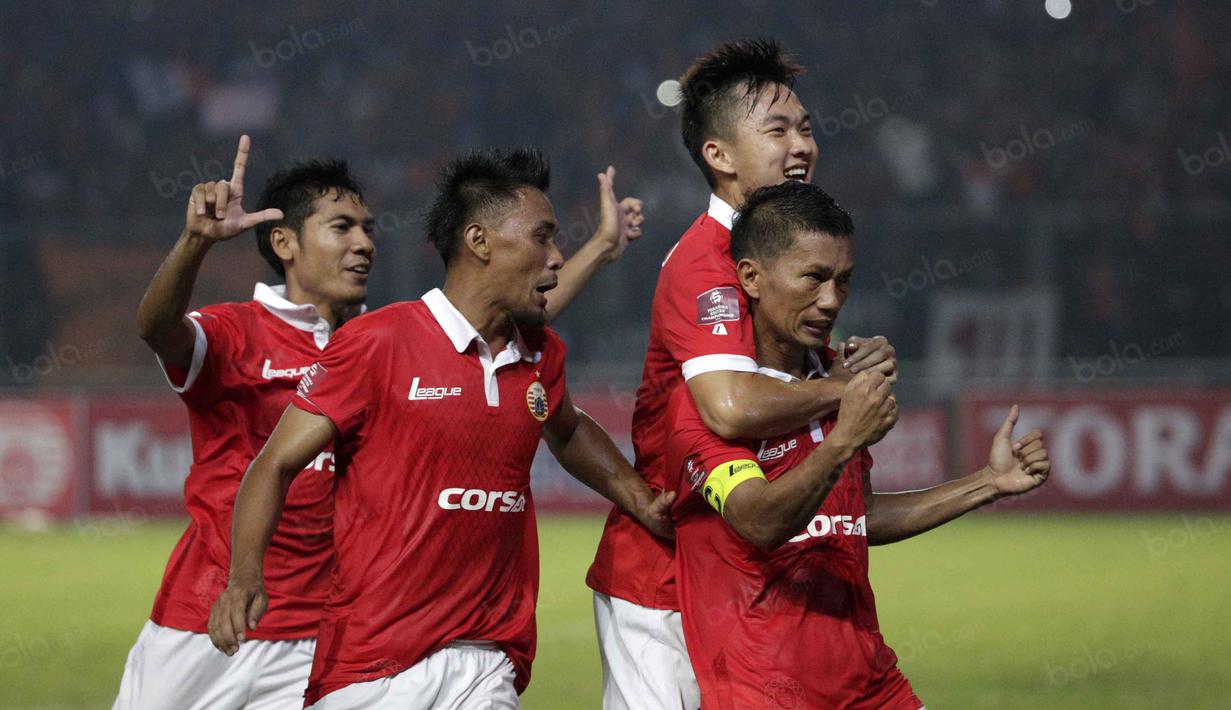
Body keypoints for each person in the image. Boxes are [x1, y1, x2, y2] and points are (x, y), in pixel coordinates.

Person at [117, 136, 645, 710]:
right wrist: (195, 242)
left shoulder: (383, 338)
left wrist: (598, 250)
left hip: (328, 630)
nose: (365, 242)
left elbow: (493, 333)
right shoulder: (238, 333)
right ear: (284, 242)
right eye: (342, 227)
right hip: (213, 614)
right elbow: (156, 330)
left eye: (368, 228)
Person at [586, 39, 898, 708]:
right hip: (663, 576)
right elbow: (727, 407)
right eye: (777, 129)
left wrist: (845, 362)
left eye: (806, 127)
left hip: (745, 573)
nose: (801, 146)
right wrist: (848, 390)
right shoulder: (706, 262)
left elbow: (790, 388)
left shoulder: (784, 255)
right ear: (718, 155)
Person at [667, 181, 1051, 708]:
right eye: (813, 279)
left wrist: (988, 483)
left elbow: (856, 518)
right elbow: (759, 521)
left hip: (873, 684)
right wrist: (843, 440)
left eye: (843, 281)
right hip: (765, 693)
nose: (830, 300)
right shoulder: (708, 408)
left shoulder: (836, 382)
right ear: (751, 277)